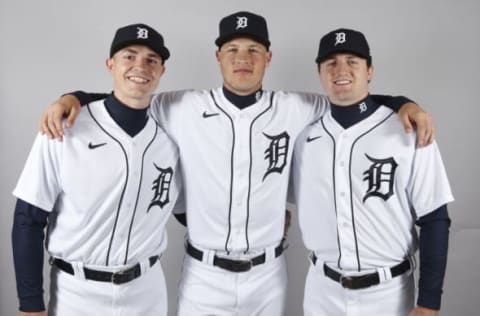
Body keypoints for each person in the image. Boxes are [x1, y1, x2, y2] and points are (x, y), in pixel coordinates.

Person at [38, 12, 434, 316]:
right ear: (218, 56)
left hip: (268, 275)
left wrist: (405, 104)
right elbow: (127, 97)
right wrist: (71, 97)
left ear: (268, 57)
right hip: (202, 275)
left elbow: (353, 100)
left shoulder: (298, 107)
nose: (242, 59)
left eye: (253, 50)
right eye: (232, 49)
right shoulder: (180, 106)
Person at [12, 23, 181, 316]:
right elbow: (28, 219)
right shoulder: (64, 127)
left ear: (161, 71)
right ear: (110, 64)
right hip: (76, 293)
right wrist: (30, 305)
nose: (140, 65)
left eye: (152, 59)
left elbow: (190, 209)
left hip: (147, 291)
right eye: (129, 56)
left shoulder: (173, 131)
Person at [291, 28, 453, 316]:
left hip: (389, 294)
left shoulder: (409, 129)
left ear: (370, 70)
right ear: (320, 73)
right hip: (321, 292)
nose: (341, 69)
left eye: (352, 61)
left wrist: (429, 301)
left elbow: (435, 219)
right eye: (331, 63)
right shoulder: (303, 133)